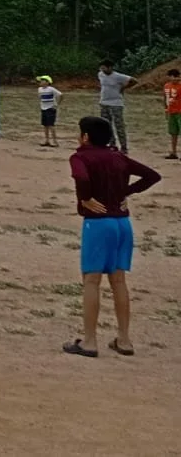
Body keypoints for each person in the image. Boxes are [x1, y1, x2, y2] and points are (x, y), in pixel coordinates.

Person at [62, 115, 161, 358]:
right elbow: (151, 176)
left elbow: (82, 177)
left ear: (85, 136)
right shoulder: (117, 156)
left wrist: (85, 198)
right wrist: (125, 191)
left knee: (91, 280)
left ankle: (89, 341)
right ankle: (124, 339)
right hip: (122, 222)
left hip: (98, 224)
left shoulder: (80, 157)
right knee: (118, 281)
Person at [97, 61, 133, 154]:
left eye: (104, 68)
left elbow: (133, 80)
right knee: (106, 125)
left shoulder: (118, 76)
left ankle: (124, 147)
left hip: (116, 103)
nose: (102, 70)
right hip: (104, 102)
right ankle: (112, 144)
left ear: (110, 67)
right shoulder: (100, 75)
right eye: (101, 68)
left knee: (119, 125)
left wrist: (123, 88)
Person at [38, 76, 64, 148]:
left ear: (47, 82)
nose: (40, 82)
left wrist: (57, 105)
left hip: (50, 109)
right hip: (43, 109)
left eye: (42, 80)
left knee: (51, 125)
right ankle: (47, 140)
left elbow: (61, 95)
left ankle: (54, 141)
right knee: (45, 125)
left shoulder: (51, 89)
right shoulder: (39, 89)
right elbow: (40, 97)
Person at [165, 69, 181, 161]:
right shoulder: (166, 86)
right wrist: (166, 109)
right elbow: (165, 98)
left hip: (180, 111)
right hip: (171, 111)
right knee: (173, 133)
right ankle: (174, 152)